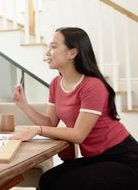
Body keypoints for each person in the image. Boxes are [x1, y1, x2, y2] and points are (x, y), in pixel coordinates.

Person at [11, 27, 138, 189]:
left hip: (123, 157)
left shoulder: (93, 86)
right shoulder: (56, 84)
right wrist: (24, 105)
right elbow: (50, 123)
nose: (48, 52)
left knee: (65, 185)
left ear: (72, 53)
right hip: (95, 157)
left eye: (54, 46)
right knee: (47, 180)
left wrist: (38, 130)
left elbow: (78, 134)